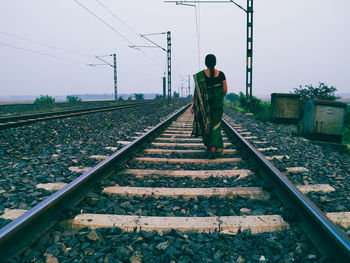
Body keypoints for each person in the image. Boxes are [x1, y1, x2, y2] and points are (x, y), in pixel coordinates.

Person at [190, 54, 228, 159]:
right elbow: (225, 89)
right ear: (215, 62)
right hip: (217, 105)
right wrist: (219, 98)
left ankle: (209, 145)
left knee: (205, 124)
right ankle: (214, 147)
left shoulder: (200, 76)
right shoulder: (221, 75)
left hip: (204, 106)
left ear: (205, 63)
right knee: (215, 125)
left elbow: (197, 93)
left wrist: (193, 104)